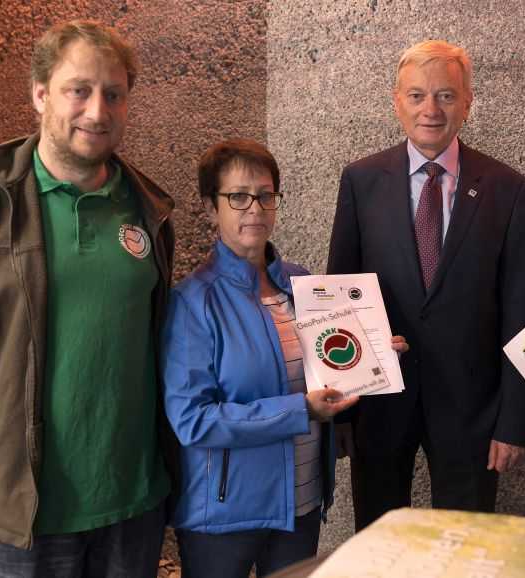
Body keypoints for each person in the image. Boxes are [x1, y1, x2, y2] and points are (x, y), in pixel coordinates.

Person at [161, 138, 408, 577]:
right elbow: (192, 419)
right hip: (224, 515)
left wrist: (373, 358)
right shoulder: (193, 303)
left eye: (265, 194)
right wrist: (300, 410)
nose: (254, 208)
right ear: (209, 207)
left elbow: (330, 369)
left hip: (302, 503)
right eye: (237, 196)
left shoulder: (302, 285)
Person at [0, 19, 176, 576]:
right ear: (40, 94)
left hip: (133, 503)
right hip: (25, 514)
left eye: (113, 94)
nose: (97, 111)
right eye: (79, 90)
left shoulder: (148, 208)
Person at [328, 40, 525, 530]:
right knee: (379, 547)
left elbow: (518, 309)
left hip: (472, 410)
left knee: (465, 547)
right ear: (396, 101)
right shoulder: (361, 181)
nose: (431, 109)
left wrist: (513, 421)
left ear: (468, 102)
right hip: (378, 404)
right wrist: (339, 412)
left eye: (446, 95)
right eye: (418, 95)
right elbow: (339, 297)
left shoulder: (506, 188)